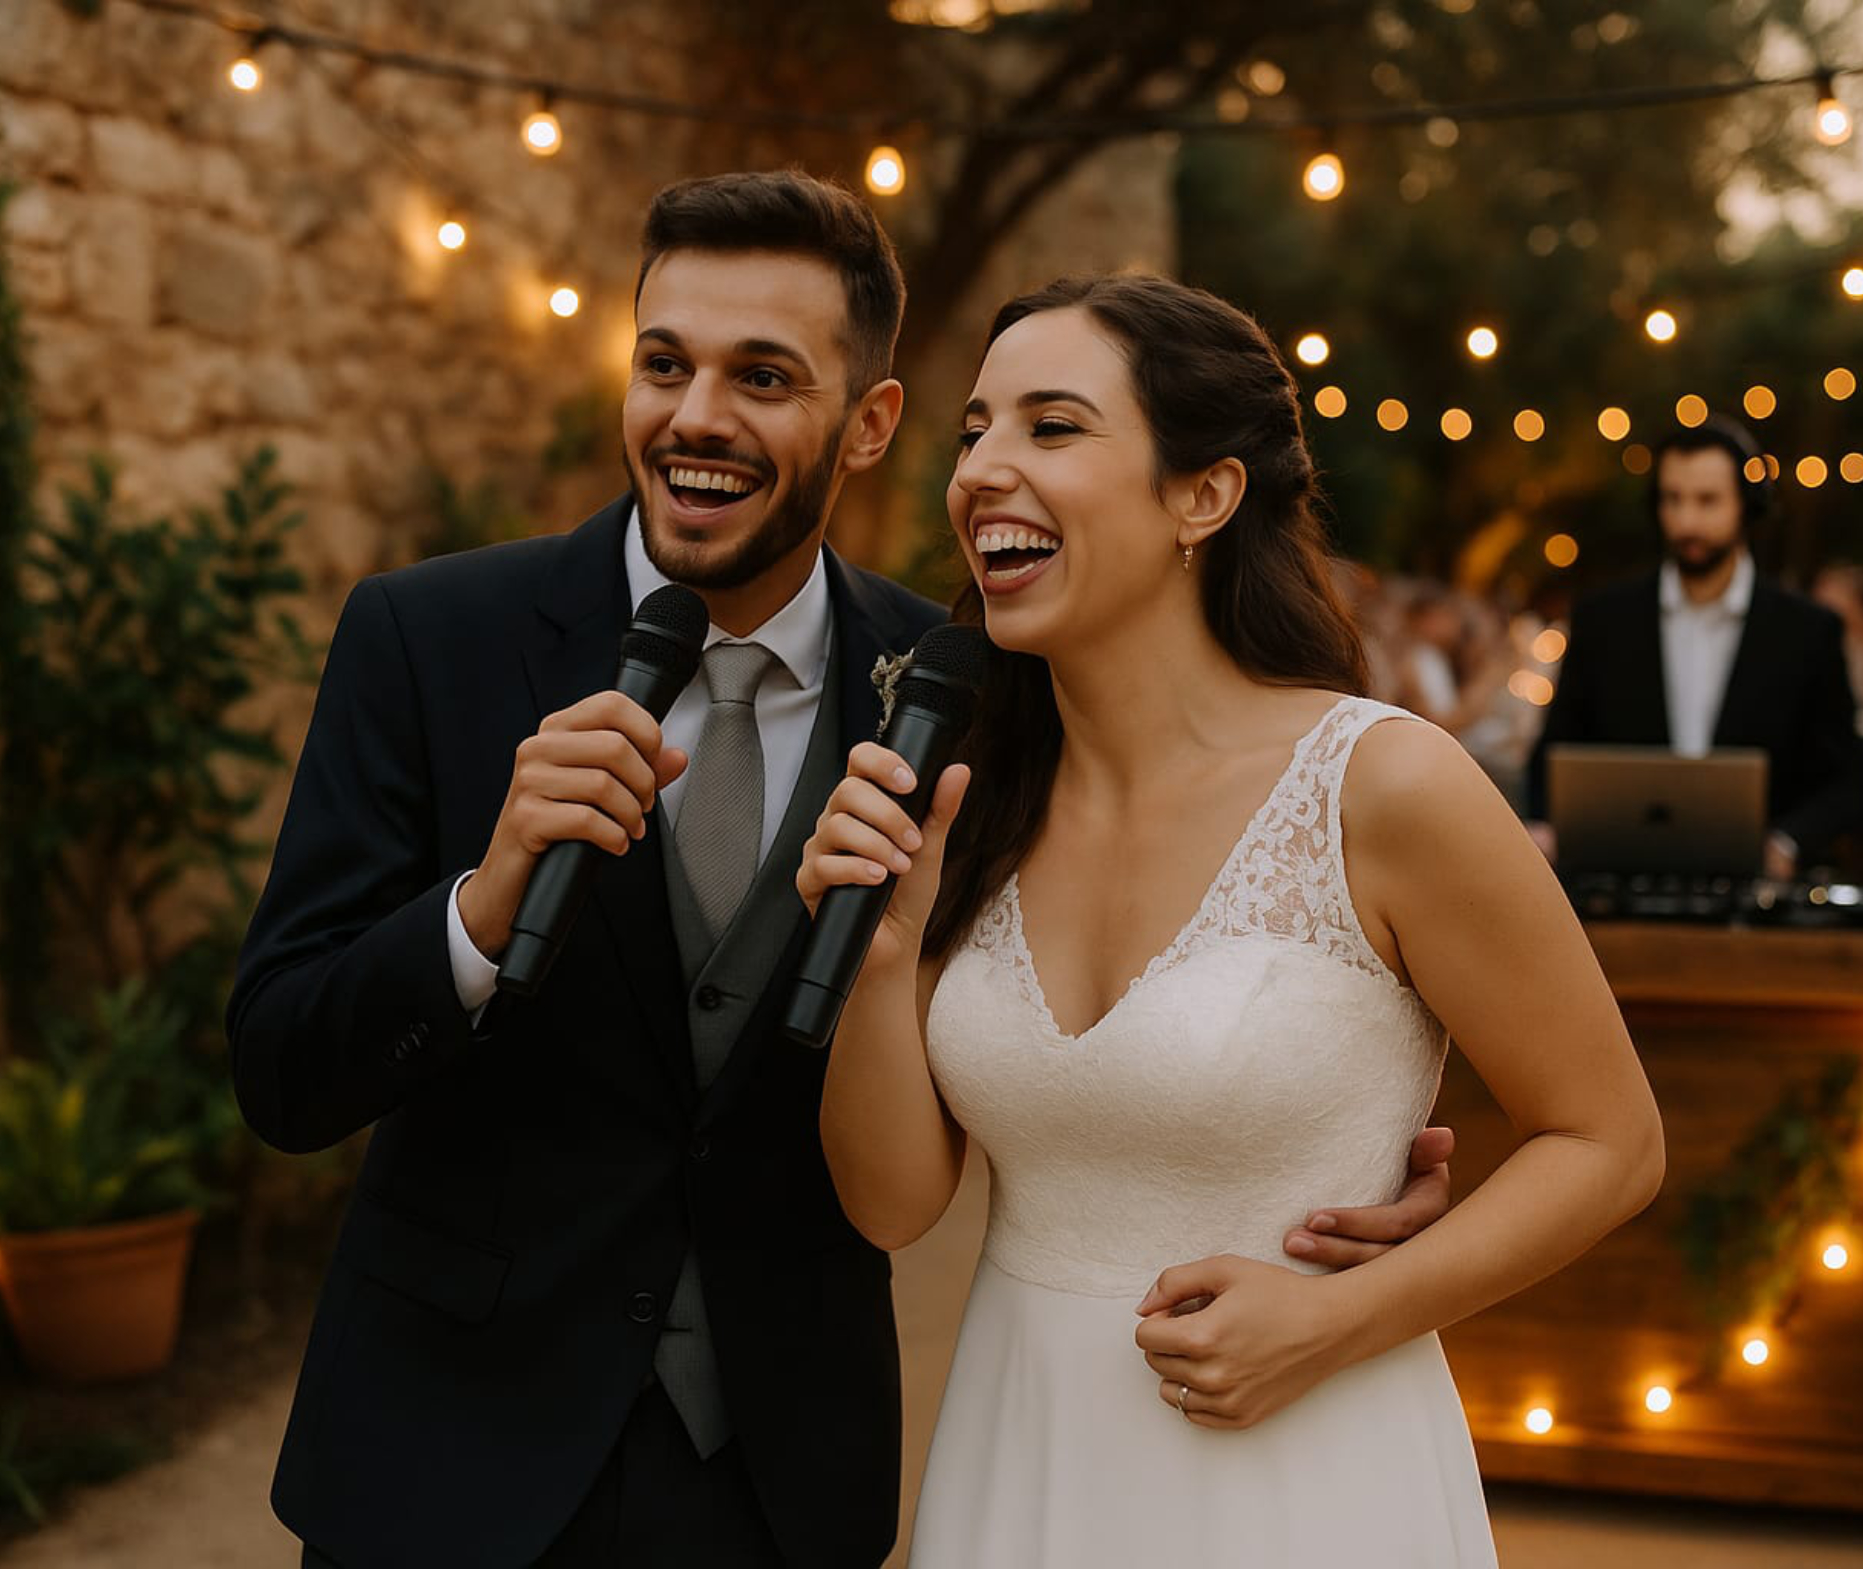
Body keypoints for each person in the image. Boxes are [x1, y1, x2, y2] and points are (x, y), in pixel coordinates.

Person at [228, 175, 1450, 1569]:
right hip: (441, 1467)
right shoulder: (425, 637)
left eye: (761, 376)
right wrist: (482, 904)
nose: (695, 417)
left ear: (867, 423)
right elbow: (280, 1069)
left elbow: (1158, 941)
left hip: (774, 1478)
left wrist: (1327, 1138)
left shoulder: (984, 693)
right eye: (663, 365)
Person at [798, 274, 1664, 1565]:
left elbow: (1608, 1140)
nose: (981, 469)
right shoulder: (971, 793)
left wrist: (1340, 1317)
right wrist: (876, 953)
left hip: (1302, 1468)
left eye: (1051, 425)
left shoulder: (1383, 784)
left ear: (1201, 495)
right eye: (974, 429)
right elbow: (889, 1207)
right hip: (1021, 1458)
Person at [1524, 416, 1863, 880]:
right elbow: (1554, 753)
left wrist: (1787, 843)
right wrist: (1545, 828)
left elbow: (1846, 778)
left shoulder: (1808, 630)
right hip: (1617, 880)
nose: (1687, 521)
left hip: (1757, 893)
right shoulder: (1603, 619)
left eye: (1707, 501)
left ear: (1746, 505)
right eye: (1673, 500)